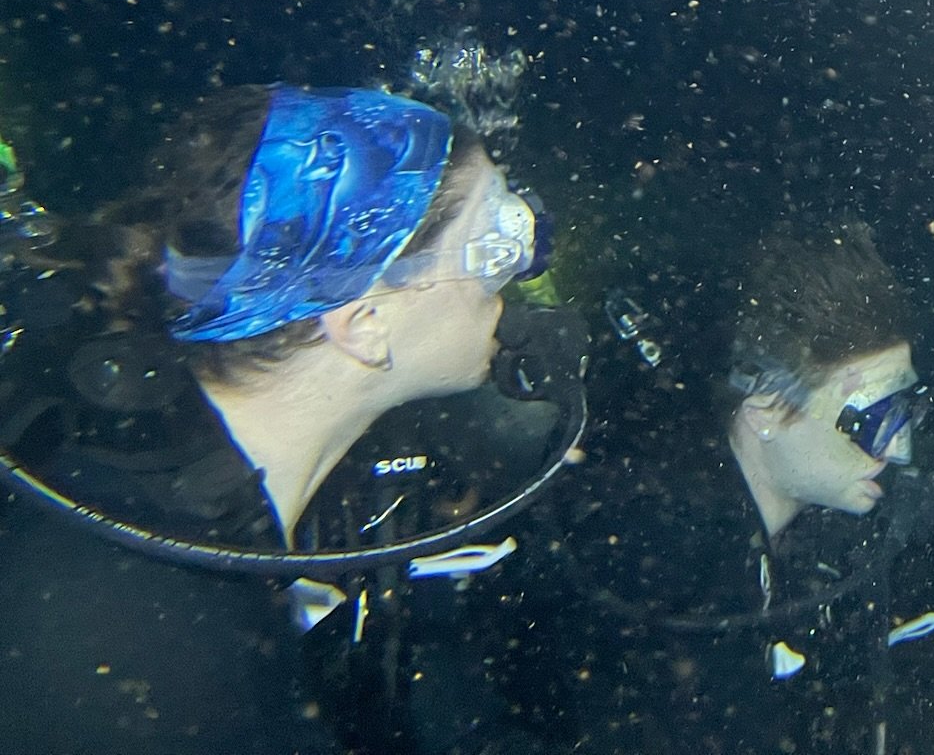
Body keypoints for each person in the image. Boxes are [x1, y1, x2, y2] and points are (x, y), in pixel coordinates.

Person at [0, 84, 584, 755]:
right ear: (365, 323)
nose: (515, 278)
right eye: (492, 247)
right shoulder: (138, 634)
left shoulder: (180, 509)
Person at [510, 221, 934, 755]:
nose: (899, 450)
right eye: (874, 420)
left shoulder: (824, 536)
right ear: (765, 411)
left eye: (908, 411)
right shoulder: (666, 566)